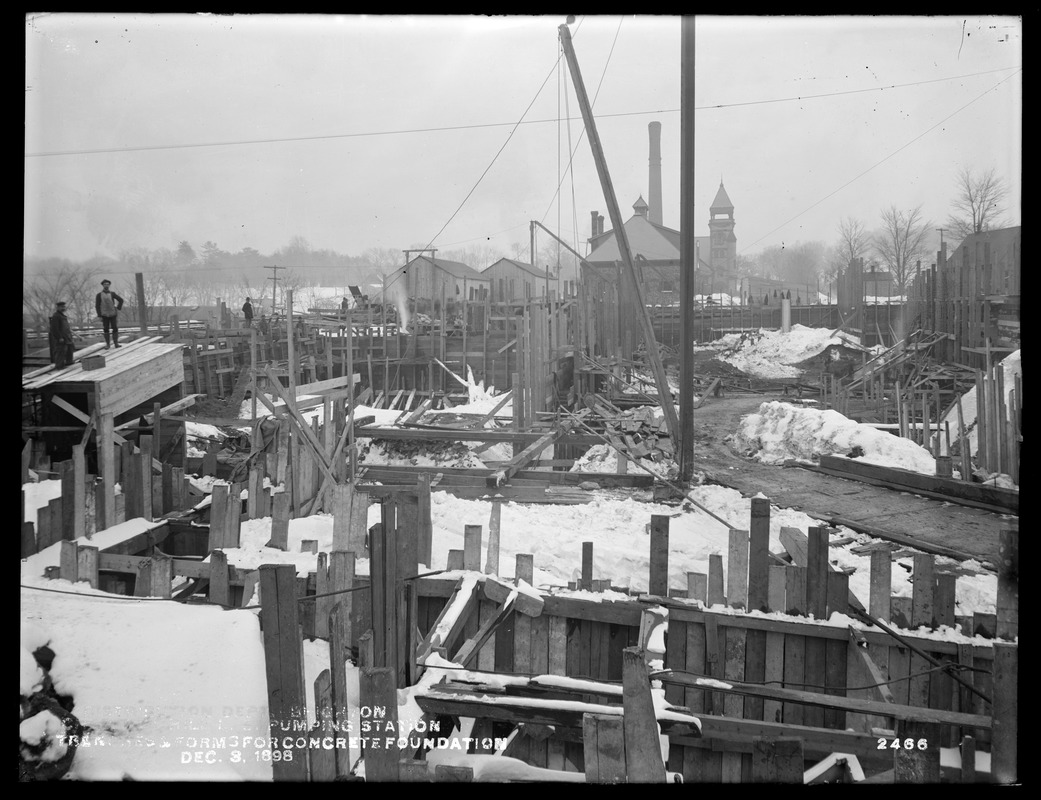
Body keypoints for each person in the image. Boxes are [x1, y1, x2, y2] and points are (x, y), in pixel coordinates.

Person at [94, 279, 125, 349]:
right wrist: (99, 315)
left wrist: (118, 308)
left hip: (113, 313)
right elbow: (97, 305)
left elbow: (121, 300)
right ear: (103, 285)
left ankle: (116, 343)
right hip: (104, 314)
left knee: (115, 328)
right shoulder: (99, 295)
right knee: (106, 328)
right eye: (105, 284)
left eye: (107, 284)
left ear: (109, 285)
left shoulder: (112, 294)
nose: (106, 285)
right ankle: (108, 344)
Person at [49, 301, 75, 368]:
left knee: (69, 349)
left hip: (67, 336)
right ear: (57, 307)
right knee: (60, 351)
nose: (63, 308)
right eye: (61, 307)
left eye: (64, 306)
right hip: (61, 337)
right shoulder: (56, 316)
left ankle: (69, 362)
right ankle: (59, 365)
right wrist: (59, 337)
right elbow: (54, 329)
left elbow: (66, 327)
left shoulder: (62, 316)